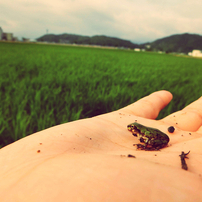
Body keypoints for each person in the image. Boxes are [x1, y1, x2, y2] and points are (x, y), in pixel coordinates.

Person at [0, 90, 202, 201]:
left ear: (136, 129)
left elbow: (151, 137)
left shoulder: (143, 133)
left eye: (133, 128)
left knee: (149, 141)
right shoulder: (142, 131)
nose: (132, 130)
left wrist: (145, 145)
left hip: (159, 138)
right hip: (160, 136)